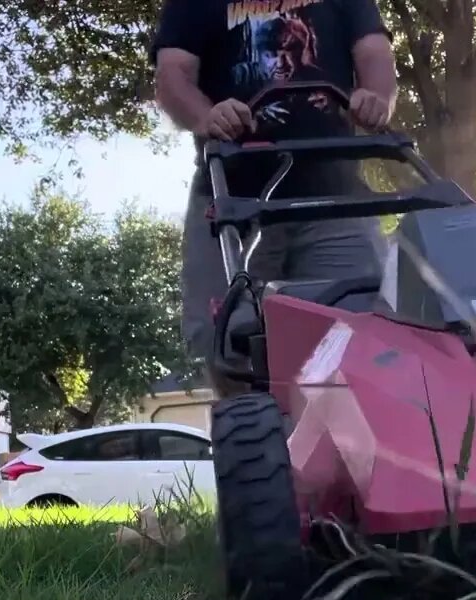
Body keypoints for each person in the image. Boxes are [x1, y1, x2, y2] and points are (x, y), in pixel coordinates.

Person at [150, 0, 398, 395]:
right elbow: (172, 76)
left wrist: (377, 98)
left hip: (336, 200)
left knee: (373, 331)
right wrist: (207, 116)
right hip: (233, 204)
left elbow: (374, 53)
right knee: (228, 344)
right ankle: (255, 439)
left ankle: (354, 448)